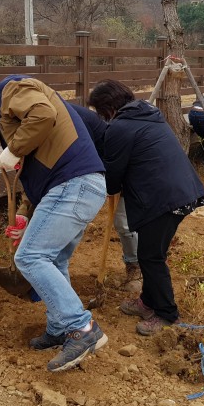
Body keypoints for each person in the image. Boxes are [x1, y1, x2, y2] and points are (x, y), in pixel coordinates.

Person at [0, 71, 108, 372]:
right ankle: (59, 327)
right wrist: (25, 212)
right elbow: (36, 167)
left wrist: (12, 149)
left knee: (31, 256)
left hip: (73, 185)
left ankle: (82, 328)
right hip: (75, 187)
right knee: (54, 260)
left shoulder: (12, 89)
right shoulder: (13, 115)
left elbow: (43, 114)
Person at [87, 80, 204, 336]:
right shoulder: (148, 114)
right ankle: (147, 302)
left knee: (151, 257)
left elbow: (113, 176)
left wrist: (107, 181)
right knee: (149, 253)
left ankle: (166, 314)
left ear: (107, 108)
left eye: (99, 111)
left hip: (164, 198)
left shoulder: (120, 126)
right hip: (181, 190)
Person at [69, 102, 141, 293]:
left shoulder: (84, 122)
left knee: (123, 222)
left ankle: (135, 266)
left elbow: (115, 159)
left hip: (119, 169)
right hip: (92, 169)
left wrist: (113, 183)